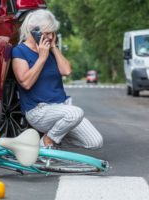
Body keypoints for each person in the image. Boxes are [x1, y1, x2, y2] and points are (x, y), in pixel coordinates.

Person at [11, 9, 103, 149]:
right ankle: (46, 142)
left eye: (52, 33)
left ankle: (52, 139)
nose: (50, 36)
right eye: (46, 33)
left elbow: (66, 70)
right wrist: (42, 58)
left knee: (95, 142)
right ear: (32, 30)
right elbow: (26, 83)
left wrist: (53, 47)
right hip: (38, 111)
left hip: (61, 109)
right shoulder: (20, 51)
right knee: (75, 112)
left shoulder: (50, 49)